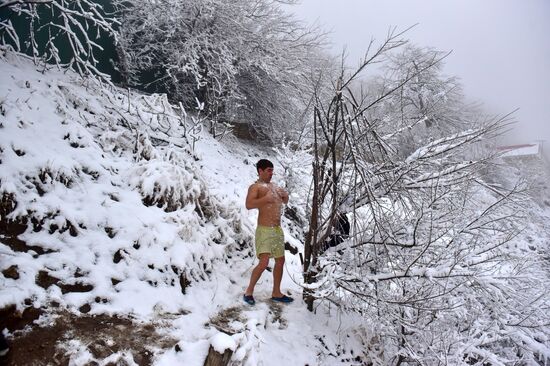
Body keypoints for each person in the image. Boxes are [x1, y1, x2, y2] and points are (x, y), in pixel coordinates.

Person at [243, 159, 293, 305]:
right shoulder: (255, 187)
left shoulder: (275, 187)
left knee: (280, 261)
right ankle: (249, 292)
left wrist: (285, 197)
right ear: (260, 171)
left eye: (272, 170)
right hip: (264, 230)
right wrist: (265, 198)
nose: (272, 173)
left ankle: (276, 292)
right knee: (264, 262)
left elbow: (284, 201)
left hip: (277, 230)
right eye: (269, 170)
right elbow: (249, 204)